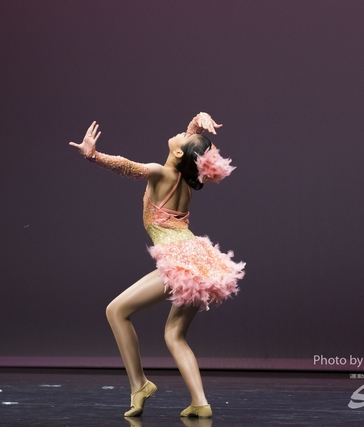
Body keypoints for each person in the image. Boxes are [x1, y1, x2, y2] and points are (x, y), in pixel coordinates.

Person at [69, 112, 245, 418]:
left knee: (115, 311)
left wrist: (93, 156)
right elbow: (190, 149)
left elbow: (128, 166)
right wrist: (198, 123)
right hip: (200, 260)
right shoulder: (185, 178)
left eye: (184, 135)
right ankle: (200, 402)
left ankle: (139, 384)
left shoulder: (161, 173)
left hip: (181, 260)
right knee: (174, 335)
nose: (181, 132)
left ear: (178, 153)